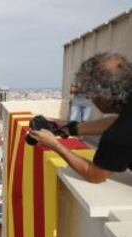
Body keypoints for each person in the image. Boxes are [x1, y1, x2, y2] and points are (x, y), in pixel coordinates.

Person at [30, 53, 132, 183]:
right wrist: (70, 128)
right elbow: (116, 122)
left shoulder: (120, 133)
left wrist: (55, 145)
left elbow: (95, 175)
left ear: (105, 96)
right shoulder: (125, 120)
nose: (89, 99)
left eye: (91, 94)